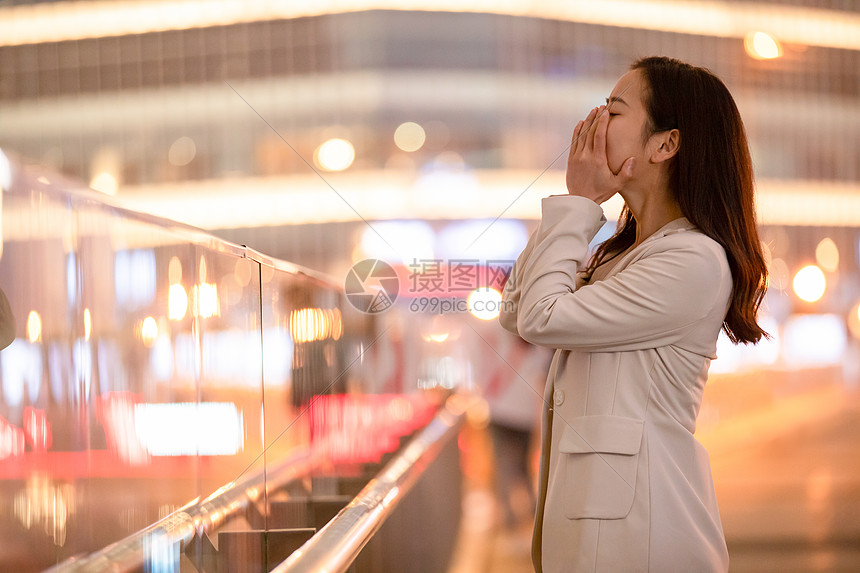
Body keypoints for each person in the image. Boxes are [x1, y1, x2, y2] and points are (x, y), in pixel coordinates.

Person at [499, 56, 768, 572]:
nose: (594, 124)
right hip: (602, 533)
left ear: (665, 145)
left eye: (613, 111)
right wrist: (578, 210)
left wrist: (579, 202)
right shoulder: (618, 257)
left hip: (643, 538)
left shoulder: (694, 260)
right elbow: (515, 311)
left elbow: (540, 317)